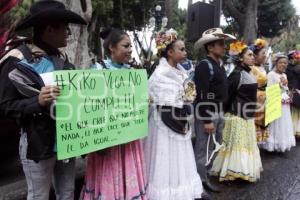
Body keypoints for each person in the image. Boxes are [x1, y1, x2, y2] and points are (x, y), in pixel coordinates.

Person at [0, 1, 87, 199]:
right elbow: (4, 106)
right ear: (49, 29)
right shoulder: (16, 60)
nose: (68, 33)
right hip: (38, 142)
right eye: (65, 29)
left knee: (67, 192)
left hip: (67, 142)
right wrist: (36, 102)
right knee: (39, 195)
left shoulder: (64, 61)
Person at [81, 28, 147, 200]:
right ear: (111, 47)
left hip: (129, 137)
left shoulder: (133, 72)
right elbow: (89, 105)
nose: (130, 50)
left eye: (131, 46)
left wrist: (145, 99)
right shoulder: (97, 70)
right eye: (126, 46)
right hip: (107, 139)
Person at [145, 28, 203, 200]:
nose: (185, 52)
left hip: (179, 121)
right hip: (165, 125)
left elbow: (185, 96)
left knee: (179, 160)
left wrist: (187, 98)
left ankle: (181, 191)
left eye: (184, 49)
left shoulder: (181, 72)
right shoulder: (160, 74)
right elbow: (164, 101)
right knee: (166, 159)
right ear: (170, 52)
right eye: (182, 49)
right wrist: (183, 99)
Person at [210, 41, 263, 182]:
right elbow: (227, 95)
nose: (253, 57)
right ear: (241, 58)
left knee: (244, 145)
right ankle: (230, 172)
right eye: (249, 55)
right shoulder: (236, 74)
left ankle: (241, 171)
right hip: (237, 115)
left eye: (253, 55)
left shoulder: (248, 72)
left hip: (247, 115)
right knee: (234, 146)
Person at [193, 28, 235, 193]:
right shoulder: (204, 66)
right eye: (220, 44)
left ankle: (205, 177)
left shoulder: (219, 66)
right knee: (203, 149)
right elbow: (202, 95)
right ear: (210, 47)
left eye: (223, 44)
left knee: (214, 147)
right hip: (208, 114)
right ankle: (200, 184)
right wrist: (207, 120)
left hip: (219, 113)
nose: (223, 47)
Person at [262, 53, 296, 152]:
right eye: (281, 62)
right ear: (276, 63)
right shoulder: (271, 74)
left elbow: (285, 89)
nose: (283, 65)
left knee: (283, 123)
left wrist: (288, 93)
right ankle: (272, 144)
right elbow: (269, 89)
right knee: (275, 123)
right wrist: (280, 87)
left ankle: (281, 143)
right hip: (275, 101)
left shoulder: (284, 75)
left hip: (284, 102)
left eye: (285, 63)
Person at [249, 39, 269, 145]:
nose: (265, 56)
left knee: (262, 122)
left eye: (265, 53)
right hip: (255, 99)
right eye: (263, 53)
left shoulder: (263, 68)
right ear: (255, 55)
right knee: (255, 121)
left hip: (263, 98)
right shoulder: (251, 68)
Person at [286, 50, 300, 137]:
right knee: (294, 112)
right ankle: (294, 130)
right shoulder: (289, 68)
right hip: (293, 92)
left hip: (295, 91)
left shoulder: (290, 68)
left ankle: (295, 130)